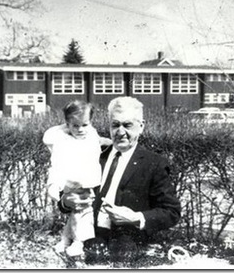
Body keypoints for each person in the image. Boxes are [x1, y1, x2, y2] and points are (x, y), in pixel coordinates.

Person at [60, 96, 181, 265]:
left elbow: (172, 212)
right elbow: (66, 193)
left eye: (128, 125)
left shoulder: (154, 164)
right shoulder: (93, 154)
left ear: (141, 126)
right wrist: (66, 201)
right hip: (88, 235)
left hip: (127, 240)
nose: (121, 131)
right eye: (115, 125)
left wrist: (136, 217)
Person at [43, 100, 111, 257]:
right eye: (75, 125)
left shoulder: (91, 134)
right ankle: (82, 241)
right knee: (82, 209)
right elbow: (49, 142)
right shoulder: (64, 139)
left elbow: (99, 140)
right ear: (67, 124)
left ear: (90, 123)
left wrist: (111, 143)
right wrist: (65, 127)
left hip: (88, 180)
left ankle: (66, 239)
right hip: (70, 181)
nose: (80, 129)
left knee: (78, 211)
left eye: (84, 125)